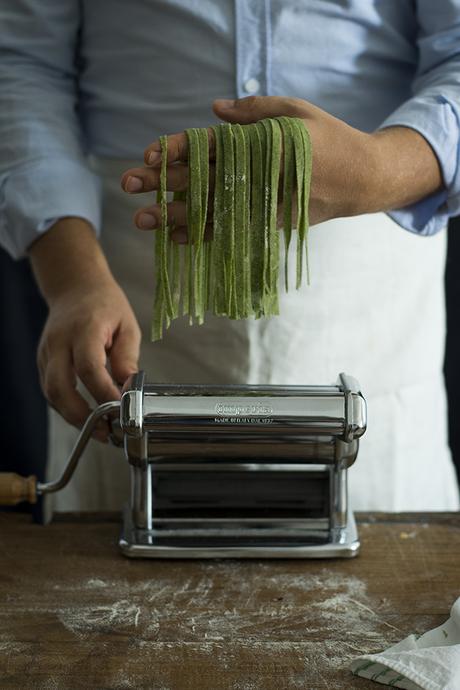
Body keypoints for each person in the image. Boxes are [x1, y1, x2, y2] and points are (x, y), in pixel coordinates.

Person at [1, 1, 459, 513]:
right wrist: (72, 278)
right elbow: (21, 62)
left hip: (369, 283)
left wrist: (377, 171)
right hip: (123, 281)